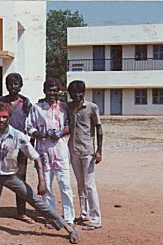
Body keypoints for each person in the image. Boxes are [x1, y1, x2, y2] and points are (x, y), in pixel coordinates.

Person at [0, 102, 80, 244]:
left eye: (4, 117)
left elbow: (36, 157)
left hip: (11, 177)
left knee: (36, 201)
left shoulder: (17, 135)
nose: (1, 120)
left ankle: (67, 227)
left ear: (9, 118)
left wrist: (42, 180)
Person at [0, 73, 34, 225]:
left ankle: (21, 212)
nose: (13, 87)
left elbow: (31, 125)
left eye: (16, 84)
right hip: (1, 147)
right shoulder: (0, 102)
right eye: (10, 84)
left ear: (21, 85)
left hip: (19, 147)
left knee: (20, 180)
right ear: (6, 86)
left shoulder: (26, 104)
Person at [27, 78, 75, 228]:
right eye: (49, 90)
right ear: (44, 90)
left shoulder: (64, 107)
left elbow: (69, 126)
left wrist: (60, 133)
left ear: (59, 91)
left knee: (65, 185)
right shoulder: (37, 107)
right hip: (43, 151)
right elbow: (29, 127)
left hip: (60, 151)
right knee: (46, 186)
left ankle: (69, 218)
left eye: (55, 90)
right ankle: (51, 217)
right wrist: (42, 134)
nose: (52, 93)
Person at [67, 80, 103, 230]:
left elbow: (99, 129)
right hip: (73, 151)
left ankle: (96, 218)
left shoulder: (91, 107)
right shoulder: (68, 107)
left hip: (87, 151)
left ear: (84, 93)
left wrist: (99, 150)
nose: (77, 95)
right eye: (73, 93)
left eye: (79, 92)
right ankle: (84, 214)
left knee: (89, 185)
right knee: (80, 184)